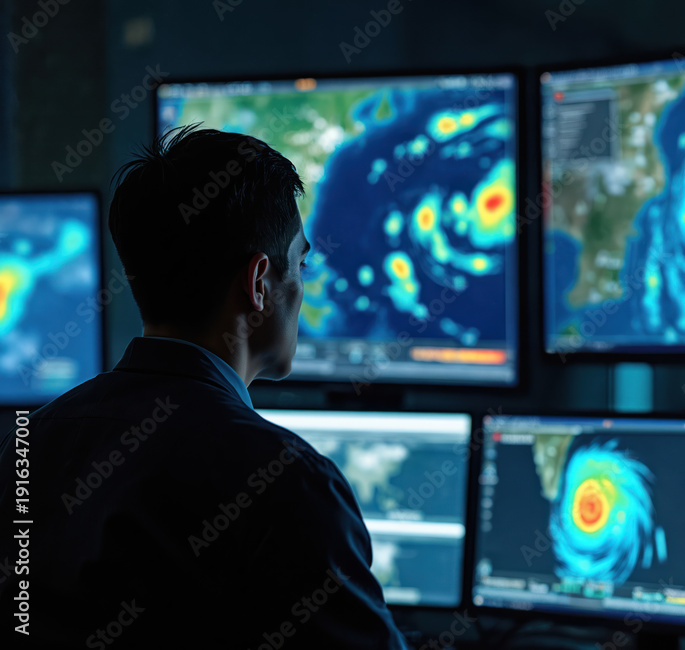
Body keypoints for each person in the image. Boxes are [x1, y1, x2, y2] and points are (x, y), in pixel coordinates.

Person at [0, 127, 409, 649]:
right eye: (301, 264)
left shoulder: (27, 446)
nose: (302, 286)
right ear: (259, 283)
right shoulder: (288, 481)